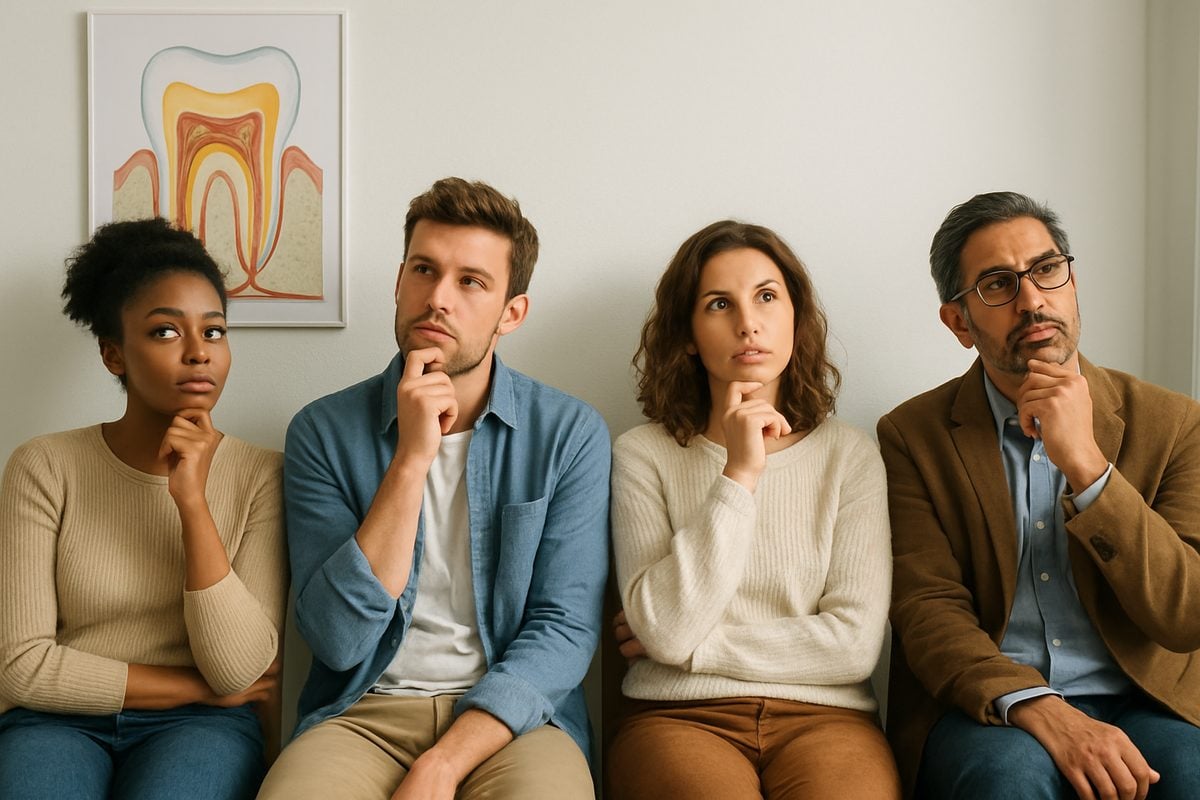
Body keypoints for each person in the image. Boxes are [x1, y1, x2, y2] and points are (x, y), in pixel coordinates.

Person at [258, 177, 609, 800]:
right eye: (424, 270)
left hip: (513, 721)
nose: (437, 298)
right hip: (361, 714)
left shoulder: (569, 433)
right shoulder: (322, 432)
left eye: (471, 281)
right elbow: (338, 639)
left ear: (512, 312)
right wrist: (412, 459)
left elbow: (563, 629)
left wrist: (444, 764)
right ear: (399, 282)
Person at [880, 191, 1200, 800]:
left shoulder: (1176, 424)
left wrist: (1087, 466)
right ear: (958, 322)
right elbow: (927, 611)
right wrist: (1036, 705)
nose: (1033, 300)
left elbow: (1187, 614)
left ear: (1072, 281)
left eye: (1047, 270)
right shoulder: (912, 436)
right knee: (1008, 785)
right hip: (992, 708)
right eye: (998, 284)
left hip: (1148, 697)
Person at [606, 220, 900, 799]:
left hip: (827, 721)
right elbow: (664, 629)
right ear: (688, 333)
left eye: (767, 296)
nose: (748, 322)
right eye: (719, 304)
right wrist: (739, 475)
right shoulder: (642, 454)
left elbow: (854, 644)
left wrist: (698, 649)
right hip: (679, 719)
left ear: (796, 316)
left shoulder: (850, 455)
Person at [0, 218, 287, 799]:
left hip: (202, 730)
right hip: (54, 720)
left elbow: (239, 669)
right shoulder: (44, 466)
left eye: (214, 332)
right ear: (114, 354)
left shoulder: (262, 474)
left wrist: (192, 501)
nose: (197, 354)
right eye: (164, 332)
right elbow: (21, 665)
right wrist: (198, 688)